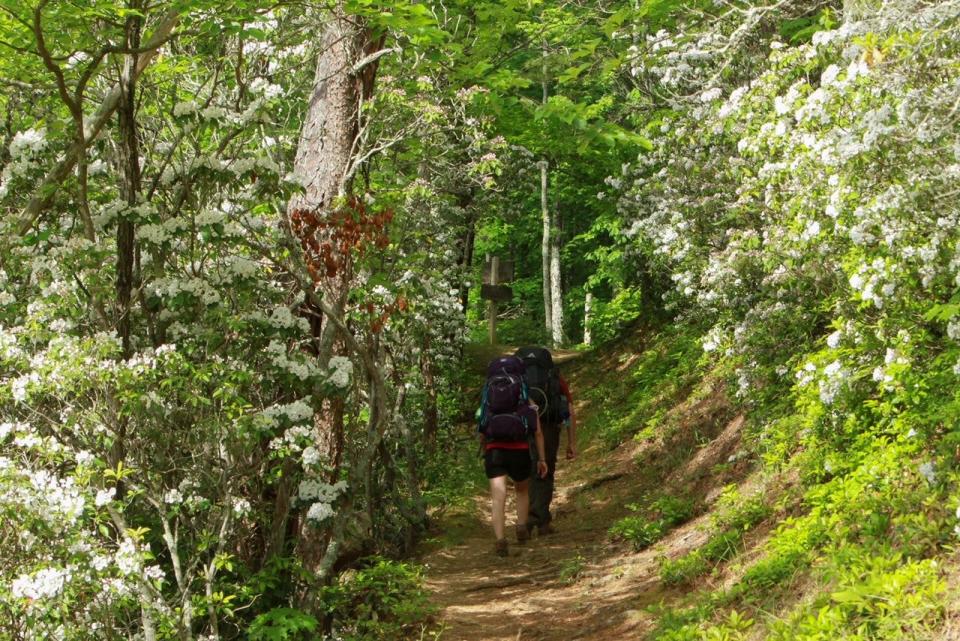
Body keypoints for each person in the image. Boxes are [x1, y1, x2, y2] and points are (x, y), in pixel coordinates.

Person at [479, 357, 548, 557]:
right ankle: (520, 526)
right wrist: (542, 459)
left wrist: (485, 450)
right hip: (519, 449)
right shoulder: (527, 399)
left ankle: (500, 540)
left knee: (498, 497)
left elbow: (482, 428)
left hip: (495, 451)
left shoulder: (488, 398)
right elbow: (538, 432)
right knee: (522, 490)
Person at [515, 346, 576, 536]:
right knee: (546, 469)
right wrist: (571, 442)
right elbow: (569, 410)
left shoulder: (517, 378)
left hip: (522, 425)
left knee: (527, 470)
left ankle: (526, 520)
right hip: (549, 425)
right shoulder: (555, 378)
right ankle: (541, 521)